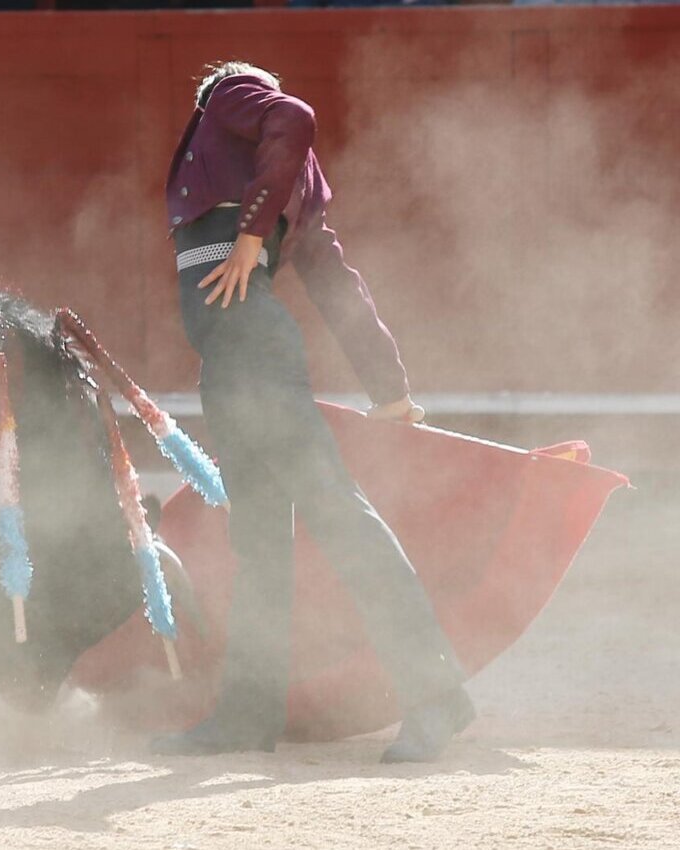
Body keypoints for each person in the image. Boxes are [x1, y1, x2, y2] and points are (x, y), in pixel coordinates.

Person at [153, 61, 475, 763]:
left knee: (337, 517)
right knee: (261, 545)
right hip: (236, 365)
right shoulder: (296, 187)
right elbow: (339, 289)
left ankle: (436, 694)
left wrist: (245, 238)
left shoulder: (228, 95)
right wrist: (388, 389)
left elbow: (292, 113)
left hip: (254, 358)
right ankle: (247, 713)